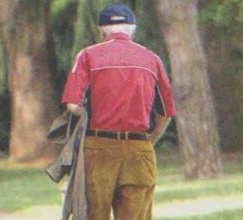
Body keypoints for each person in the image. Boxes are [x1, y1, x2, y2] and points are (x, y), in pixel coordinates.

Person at [61, 3, 175, 220]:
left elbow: (73, 106)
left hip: (99, 148)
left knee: (94, 213)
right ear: (132, 28)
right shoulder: (152, 59)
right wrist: (149, 140)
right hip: (139, 148)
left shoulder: (88, 56)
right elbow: (167, 112)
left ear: (101, 29)